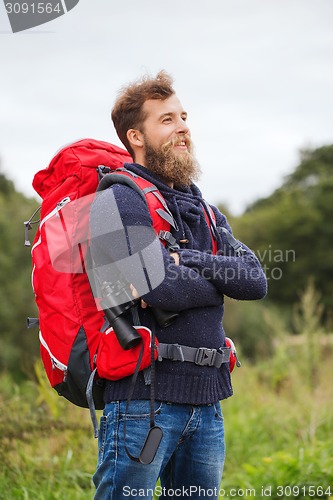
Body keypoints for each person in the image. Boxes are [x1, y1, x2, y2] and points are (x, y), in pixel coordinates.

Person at [89, 70, 267, 499]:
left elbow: (255, 280)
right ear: (136, 136)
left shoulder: (205, 208)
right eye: (167, 119)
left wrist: (187, 259)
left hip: (207, 404)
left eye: (184, 116)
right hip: (141, 405)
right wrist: (219, 279)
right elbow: (160, 289)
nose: (183, 127)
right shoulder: (117, 199)